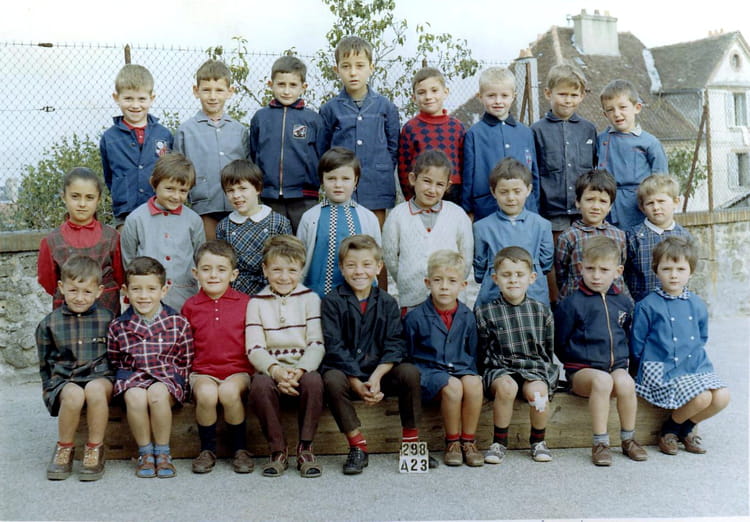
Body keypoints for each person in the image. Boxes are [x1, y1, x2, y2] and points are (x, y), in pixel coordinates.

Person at [320, 235, 423, 475]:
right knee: (331, 379)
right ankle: (358, 445)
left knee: (410, 372)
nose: (359, 271)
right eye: (351, 265)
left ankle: (411, 443)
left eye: (366, 264)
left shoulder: (387, 302)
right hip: (346, 373)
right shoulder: (332, 302)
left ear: (378, 267)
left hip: (379, 372)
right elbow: (334, 346)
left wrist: (377, 377)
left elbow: (395, 343)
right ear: (341, 268)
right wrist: (356, 382)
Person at [554, 236, 648, 466]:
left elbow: (626, 336)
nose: (596, 276)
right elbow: (559, 342)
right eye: (590, 269)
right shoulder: (571, 303)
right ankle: (600, 443)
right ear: (580, 267)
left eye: (604, 270)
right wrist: (575, 361)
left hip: (615, 368)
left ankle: (628, 439)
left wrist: (625, 365)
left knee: (626, 383)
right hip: (583, 373)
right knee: (603, 381)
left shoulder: (623, 302)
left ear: (617, 271)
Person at [631, 236, 730, 455]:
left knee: (722, 397)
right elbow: (637, 344)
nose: (673, 275)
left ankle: (685, 430)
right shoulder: (647, 305)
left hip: (694, 365)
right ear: (656, 271)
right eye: (666, 269)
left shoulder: (697, 303)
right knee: (702, 397)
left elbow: (701, 337)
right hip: (663, 368)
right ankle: (668, 430)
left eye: (680, 269)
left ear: (690, 272)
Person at [245, 235, 325, 478]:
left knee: (314, 381)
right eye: (277, 270)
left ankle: (305, 448)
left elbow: (316, 344)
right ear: (265, 270)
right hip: (272, 370)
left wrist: (298, 371)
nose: (284, 277)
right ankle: (277, 450)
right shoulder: (256, 303)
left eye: (292, 270)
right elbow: (254, 348)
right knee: (259, 385)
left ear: (301, 270)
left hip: (301, 368)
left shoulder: (310, 298)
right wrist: (277, 371)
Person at [107, 256, 194, 478]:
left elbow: (185, 359)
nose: (143, 296)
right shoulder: (118, 326)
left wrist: (180, 385)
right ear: (126, 291)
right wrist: (126, 382)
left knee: (157, 393)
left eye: (151, 289)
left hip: (167, 379)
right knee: (135, 396)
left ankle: (163, 453)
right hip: (133, 378)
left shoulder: (178, 322)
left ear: (164, 290)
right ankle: (145, 453)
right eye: (136, 289)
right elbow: (115, 360)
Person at [475, 247, 558, 464]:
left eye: (519, 274)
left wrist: (542, 375)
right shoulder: (485, 312)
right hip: (499, 368)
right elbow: (481, 350)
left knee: (538, 392)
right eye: (506, 275)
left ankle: (538, 441)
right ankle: (499, 443)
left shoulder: (541, 311)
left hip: (532, 367)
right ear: (495, 278)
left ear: (531, 278)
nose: (513, 280)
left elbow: (547, 348)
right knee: (506, 387)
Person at [36, 255, 114, 481]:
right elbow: (45, 365)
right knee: (74, 395)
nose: (80, 298)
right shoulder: (49, 324)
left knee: (94, 390)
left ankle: (94, 448)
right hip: (65, 380)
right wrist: (50, 393)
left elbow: (117, 357)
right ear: (61, 288)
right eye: (73, 291)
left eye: (87, 291)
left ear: (99, 291)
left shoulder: (108, 319)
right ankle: (65, 447)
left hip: (100, 377)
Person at [403, 250, 483, 467]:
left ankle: (468, 441)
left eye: (452, 281)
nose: (444, 287)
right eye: (438, 280)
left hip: (460, 367)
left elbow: (472, 351)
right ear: (428, 283)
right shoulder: (415, 317)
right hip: (429, 373)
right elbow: (408, 355)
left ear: (463, 285)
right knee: (453, 386)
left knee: (474, 383)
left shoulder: (467, 316)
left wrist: (470, 372)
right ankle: (452, 442)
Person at [181, 240, 254, 474]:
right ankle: (207, 449)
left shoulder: (246, 303)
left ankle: (240, 449)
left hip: (238, 371)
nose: (213, 275)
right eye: (206, 269)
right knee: (206, 393)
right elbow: (185, 346)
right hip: (203, 371)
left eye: (221, 269)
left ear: (233, 274)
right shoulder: (190, 306)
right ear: (196, 273)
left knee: (229, 392)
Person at [319, 36, 400, 225]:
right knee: (343, 233)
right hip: (342, 186)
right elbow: (323, 149)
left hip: (377, 185)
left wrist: (380, 168)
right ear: (336, 69)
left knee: (373, 233)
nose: (353, 72)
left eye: (360, 65)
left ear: (371, 68)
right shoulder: (329, 109)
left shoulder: (386, 107)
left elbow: (393, 148)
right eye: (346, 66)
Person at [383, 149, 473, 313]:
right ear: (413, 179)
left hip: (450, 301)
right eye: (427, 181)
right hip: (413, 300)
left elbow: (466, 257)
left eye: (439, 184)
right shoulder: (398, 215)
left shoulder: (457, 214)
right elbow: (391, 259)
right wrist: (407, 281)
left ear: (447, 186)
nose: (432, 189)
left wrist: (452, 283)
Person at [174, 59, 250, 240]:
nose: (213, 96)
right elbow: (177, 172)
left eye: (219, 90)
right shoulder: (186, 131)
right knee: (209, 251)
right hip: (204, 208)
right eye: (206, 90)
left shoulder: (239, 130)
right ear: (196, 91)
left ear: (230, 92)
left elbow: (249, 169)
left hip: (237, 206)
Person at [120, 153, 205, 311]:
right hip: (147, 301)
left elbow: (200, 258)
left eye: (183, 191)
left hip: (184, 298)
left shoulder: (194, 220)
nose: (176, 196)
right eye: (169, 189)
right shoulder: (135, 219)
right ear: (154, 183)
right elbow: (129, 261)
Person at [249, 55, 325, 233]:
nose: (286, 91)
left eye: (293, 85)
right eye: (281, 84)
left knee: (304, 240)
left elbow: (321, 154)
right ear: (271, 84)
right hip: (270, 195)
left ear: (303, 87)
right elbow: (254, 152)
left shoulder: (312, 119)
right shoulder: (261, 118)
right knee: (275, 241)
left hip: (304, 196)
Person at [37, 167, 124, 316]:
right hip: (66, 311)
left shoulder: (112, 237)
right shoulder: (51, 241)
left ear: (98, 199)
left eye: (89, 197)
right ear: (64, 197)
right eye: (75, 196)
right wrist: (71, 292)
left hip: (106, 308)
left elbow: (120, 276)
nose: (82, 204)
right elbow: (48, 282)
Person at [297, 147, 381, 298]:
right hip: (317, 295)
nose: (338, 185)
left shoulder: (368, 218)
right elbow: (300, 257)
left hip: (358, 297)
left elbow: (376, 256)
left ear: (355, 181)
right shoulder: (310, 217)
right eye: (331, 178)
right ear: (322, 180)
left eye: (345, 179)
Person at [472, 157, 553, 310]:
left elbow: (546, 262)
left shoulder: (542, 225)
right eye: (504, 192)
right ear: (493, 192)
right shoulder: (482, 227)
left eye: (517, 191)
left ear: (528, 190)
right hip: (494, 294)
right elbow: (480, 266)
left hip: (533, 293)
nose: (511, 198)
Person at [462, 67, 538, 221]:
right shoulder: (474, 134)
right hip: (487, 209)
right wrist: (467, 208)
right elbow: (468, 176)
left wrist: (535, 206)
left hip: (524, 210)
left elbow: (534, 172)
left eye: (504, 95)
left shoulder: (525, 132)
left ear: (513, 97)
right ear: (480, 97)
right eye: (491, 96)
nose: (498, 101)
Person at [100, 64, 173, 225]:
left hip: (160, 210)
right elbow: (109, 177)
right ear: (116, 97)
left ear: (151, 98)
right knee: (127, 242)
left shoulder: (164, 135)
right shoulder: (109, 138)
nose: (135, 105)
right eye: (128, 99)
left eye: (141, 99)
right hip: (125, 212)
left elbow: (171, 172)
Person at [597, 79, 668, 231]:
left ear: (637, 107)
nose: (617, 114)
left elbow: (661, 181)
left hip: (638, 207)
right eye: (610, 110)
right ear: (604, 114)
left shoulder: (650, 143)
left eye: (623, 107)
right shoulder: (600, 140)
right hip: (608, 205)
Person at [216, 159, 292, 296]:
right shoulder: (224, 226)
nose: (236, 195)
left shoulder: (278, 222)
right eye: (230, 190)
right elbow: (223, 264)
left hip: (271, 290)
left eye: (242, 188)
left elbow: (288, 261)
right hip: (236, 292)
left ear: (257, 188)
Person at [555, 169, 627, 299]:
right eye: (590, 199)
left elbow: (621, 264)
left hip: (612, 300)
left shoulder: (619, 236)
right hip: (577, 300)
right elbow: (561, 273)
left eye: (603, 201)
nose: (595, 206)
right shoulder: (569, 236)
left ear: (610, 206)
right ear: (578, 202)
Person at [398, 67, 465, 204]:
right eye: (421, 92)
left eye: (434, 90)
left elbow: (465, 164)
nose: (428, 97)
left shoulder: (457, 127)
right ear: (414, 97)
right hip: (422, 192)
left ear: (445, 92)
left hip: (453, 192)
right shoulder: (410, 128)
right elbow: (404, 167)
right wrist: (410, 198)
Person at [626, 174, 693, 302]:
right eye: (650, 203)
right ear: (642, 208)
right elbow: (624, 274)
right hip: (642, 305)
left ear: (675, 202)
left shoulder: (685, 237)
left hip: (676, 304)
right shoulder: (634, 237)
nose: (656, 207)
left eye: (661, 201)